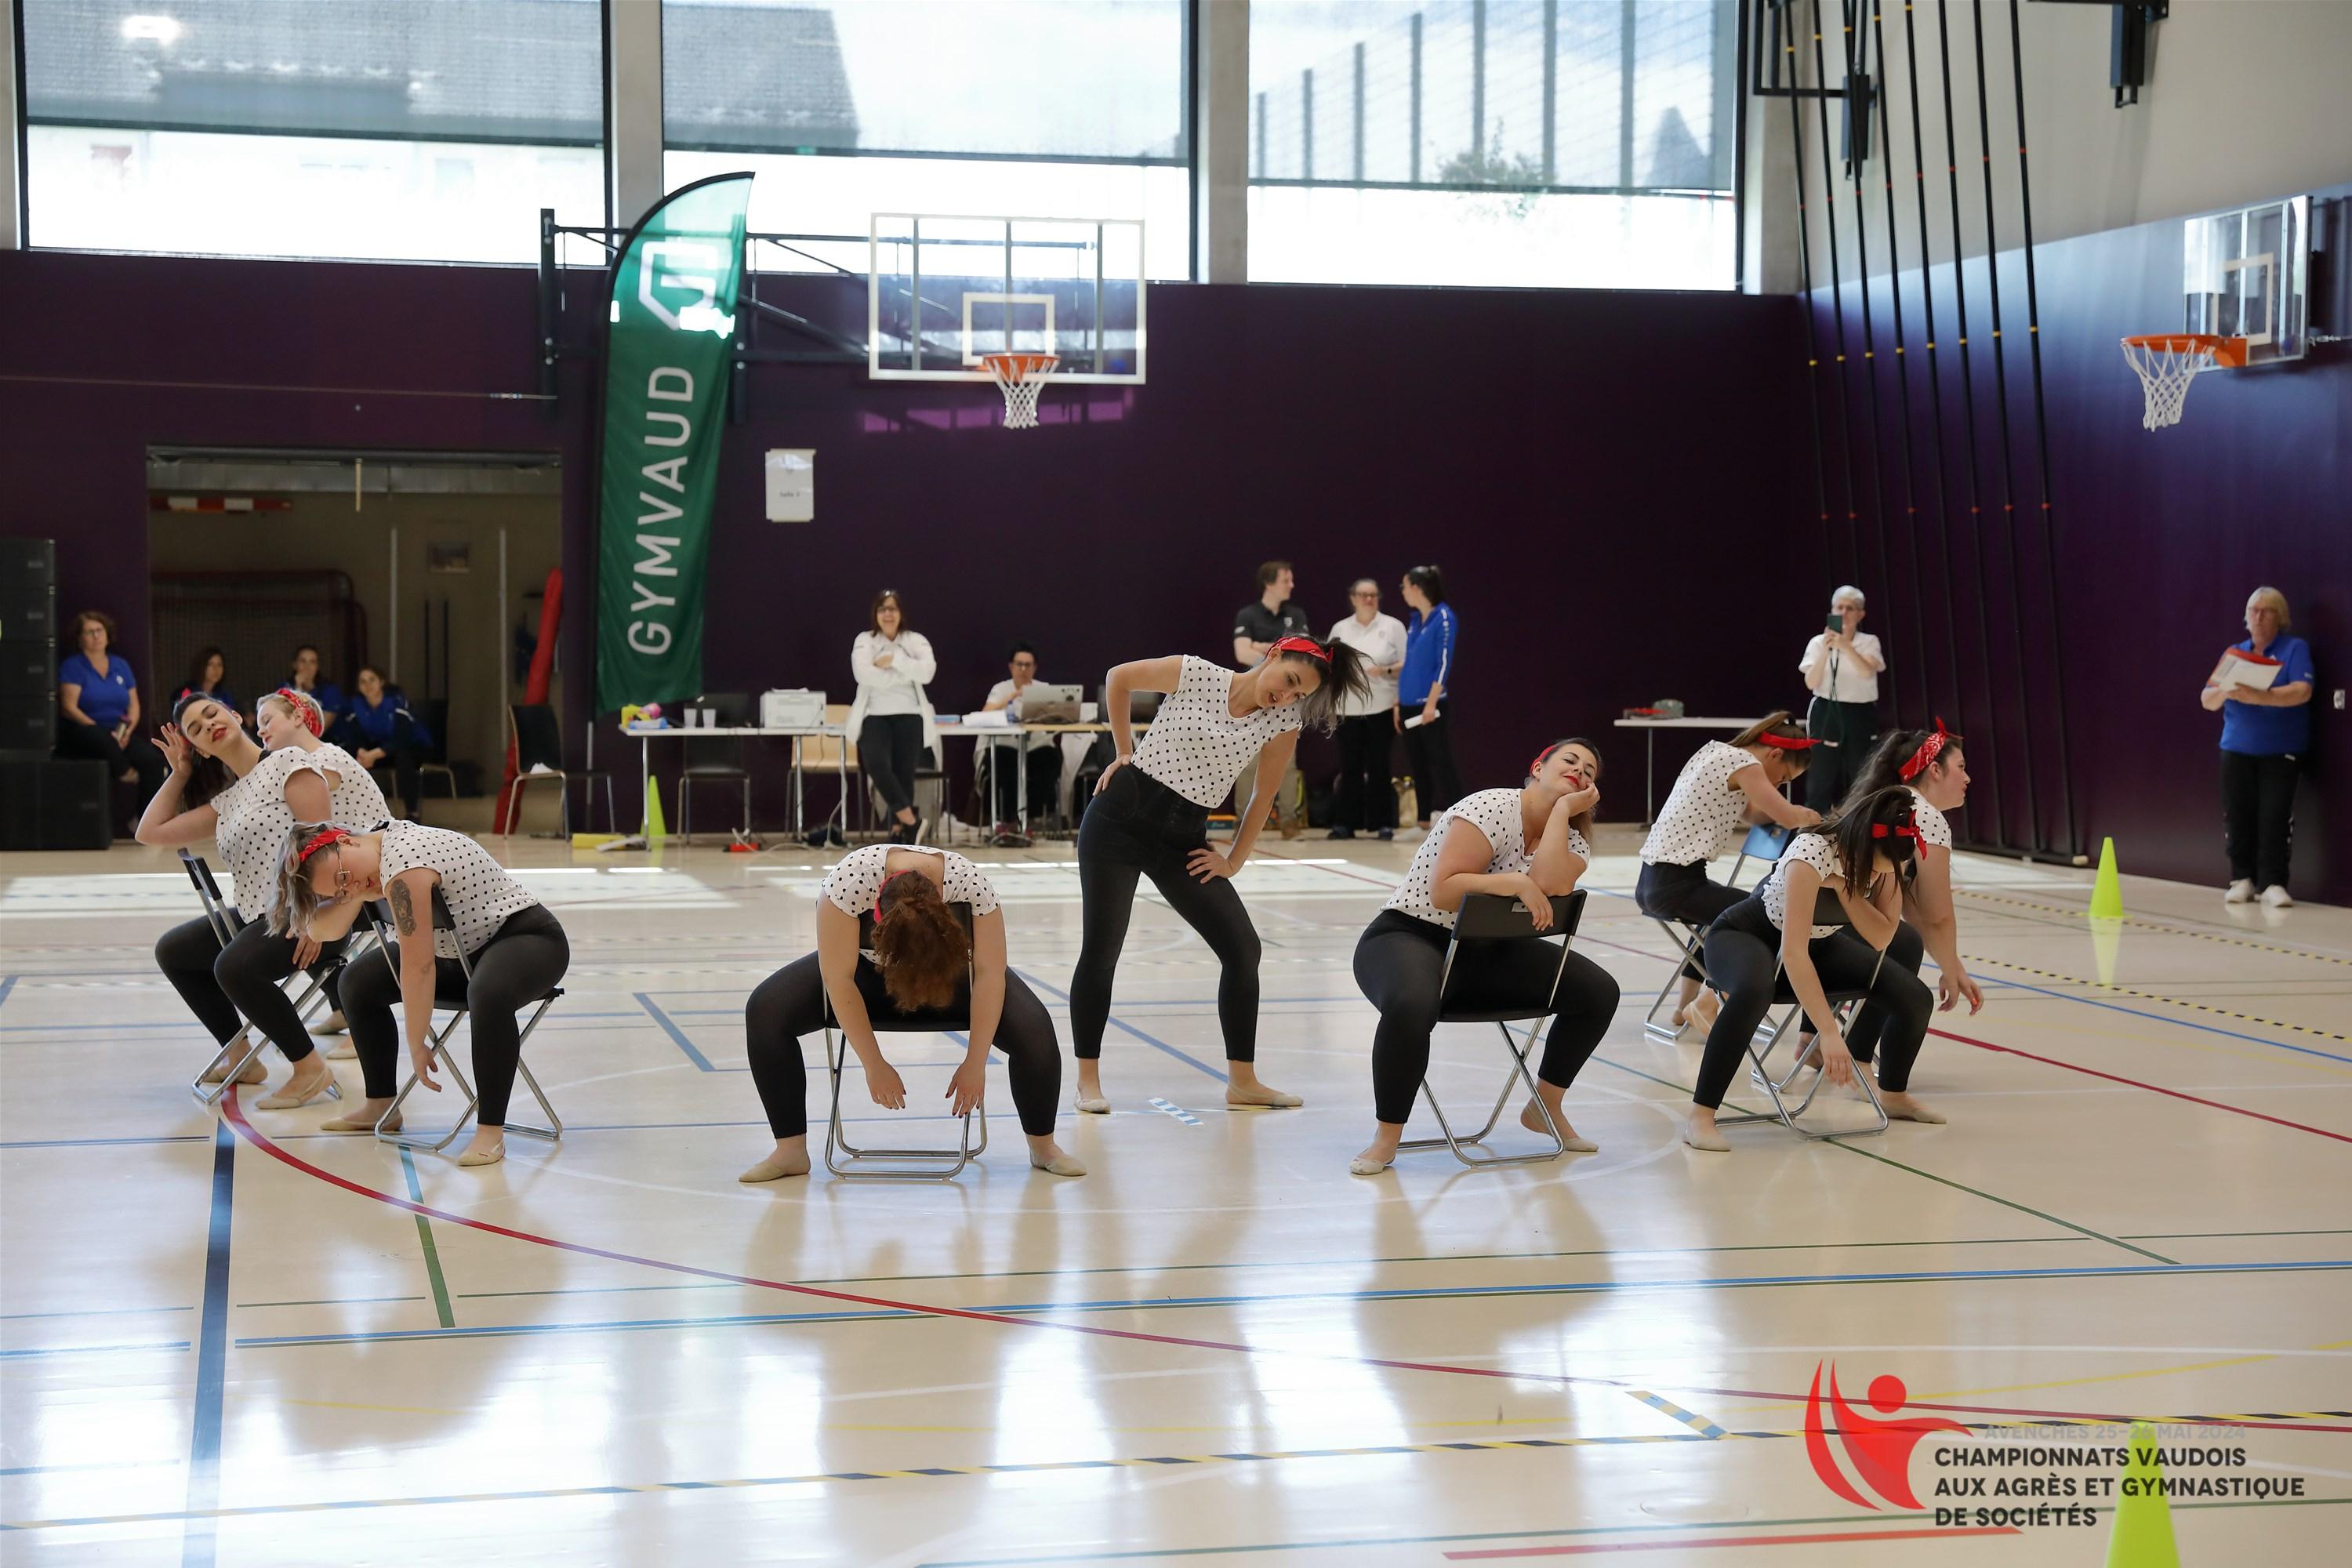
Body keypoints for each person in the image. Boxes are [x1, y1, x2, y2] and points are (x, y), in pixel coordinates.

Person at [1069, 634, 1371, 1114]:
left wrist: (1234, 860)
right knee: (1102, 950)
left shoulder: (1282, 721)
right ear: (1273, 655)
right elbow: (1118, 678)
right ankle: (1088, 1080)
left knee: (1242, 949)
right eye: (1289, 681)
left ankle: (1242, 1082)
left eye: (1298, 694)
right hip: (1118, 822)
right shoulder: (1196, 673)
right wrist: (1124, 752)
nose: (1286, 696)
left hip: (1183, 841)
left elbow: (1263, 798)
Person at [1348, 739, 1621, 1176]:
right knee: (1412, 1004)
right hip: (1410, 935)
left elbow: (1550, 883)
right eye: (1570, 761)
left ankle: (1544, 1107)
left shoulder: (1573, 839)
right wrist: (1513, 882)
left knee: (1599, 992)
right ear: (1538, 767)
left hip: (1487, 951)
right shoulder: (1490, 807)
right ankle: (1387, 1137)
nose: (1580, 772)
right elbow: (1445, 891)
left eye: (1590, 771)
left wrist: (1558, 814)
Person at [737, 842, 1083, 1183]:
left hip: (947, 977)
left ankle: (1043, 1147)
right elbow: (838, 979)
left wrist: (976, 1062)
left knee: (1035, 1029)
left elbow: (991, 973)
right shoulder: (850, 880)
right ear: (877, 916)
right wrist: (874, 1063)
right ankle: (790, 1150)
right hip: (867, 976)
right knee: (766, 1011)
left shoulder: (969, 883)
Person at [137, 689, 390, 1109]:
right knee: (174, 951)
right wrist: (180, 772)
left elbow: (326, 845)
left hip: (312, 911)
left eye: (212, 713)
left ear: (236, 716)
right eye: (195, 729)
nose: (208, 725)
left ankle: (308, 1067)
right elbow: (149, 833)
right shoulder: (230, 799)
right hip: (262, 914)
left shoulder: (289, 762)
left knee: (234, 967)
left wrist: (313, 917)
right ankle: (240, 1056)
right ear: (198, 747)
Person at [274, 818, 570, 1169]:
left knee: (488, 993)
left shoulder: (405, 862)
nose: (349, 886)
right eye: (338, 890)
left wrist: (417, 1044)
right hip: (460, 955)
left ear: (347, 842)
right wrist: (353, 892)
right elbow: (323, 930)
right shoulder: (369, 858)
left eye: (343, 876)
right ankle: (381, 1104)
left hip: (528, 940)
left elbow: (419, 966)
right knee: (356, 982)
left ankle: (491, 1130)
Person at [1686, 787, 1940, 1152]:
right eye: (1874, 868)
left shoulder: (1890, 860)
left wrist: (1846, 890)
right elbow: (1793, 954)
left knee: (1914, 997)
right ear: (1862, 843)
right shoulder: (1811, 853)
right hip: (1746, 935)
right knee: (1754, 991)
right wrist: (1829, 1033)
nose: (1879, 875)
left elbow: (1882, 935)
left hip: (1820, 942)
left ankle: (1893, 1094)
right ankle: (1701, 1115)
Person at [1635, 712, 1822, 1033]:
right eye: (1784, 778)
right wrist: (1812, 818)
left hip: (1654, 882)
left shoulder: (1715, 752)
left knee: (1723, 918)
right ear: (1775, 754)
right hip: (1677, 884)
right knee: (1758, 919)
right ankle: (1709, 1002)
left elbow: (1754, 814)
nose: (1779, 785)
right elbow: (1788, 817)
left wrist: (1788, 814)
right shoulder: (1744, 763)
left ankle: (1685, 1006)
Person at [1834, 722, 1987, 1060]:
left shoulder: (1887, 800)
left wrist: (1952, 964)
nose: (1967, 778)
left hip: (1800, 915)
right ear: (1935, 770)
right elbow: (1937, 914)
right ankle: (1859, 1056)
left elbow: (1913, 907)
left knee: (1897, 937)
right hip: (1823, 928)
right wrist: (1950, 970)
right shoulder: (1925, 815)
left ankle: (1811, 1040)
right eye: (1961, 767)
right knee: (1901, 948)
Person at [2200, 586, 2315, 909]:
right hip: (2236, 749)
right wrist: (2226, 691)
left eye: (2266, 611)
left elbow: (2302, 691)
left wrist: (2260, 696)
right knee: (2238, 816)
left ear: (2280, 617)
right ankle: (2242, 879)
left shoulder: (2294, 649)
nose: (2258, 617)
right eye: (2253, 611)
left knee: (2275, 816)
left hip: (2281, 750)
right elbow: (2207, 699)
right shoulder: (2235, 653)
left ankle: (2273, 883)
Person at [848, 590, 938, 845]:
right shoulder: (865, 640)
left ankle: (900, 833)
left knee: (904, 774)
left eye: (893, 609)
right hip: (874, 716)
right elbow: (863, 674)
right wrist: (904, 672)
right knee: (876, 764)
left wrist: (895, 659)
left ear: (900, 613)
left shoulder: (915, 640)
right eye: (883, 609)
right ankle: (911, 821)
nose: (888, 614)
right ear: (875, 614)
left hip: (910, 715)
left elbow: (927, 673)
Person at [56, 608, 165, 815]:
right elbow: (69, 707)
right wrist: (102, 733)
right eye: (90, 632)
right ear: (79, 639)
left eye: (100, 631)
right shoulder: (73, 666)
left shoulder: (120, 665)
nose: (96, 636)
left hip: (119, 731)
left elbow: (134, 705)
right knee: (99, 738)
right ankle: (125, 771)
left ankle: (144, 821)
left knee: (153, 761)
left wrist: (126, 732)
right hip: (86, 729)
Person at [1232, 562, 1312, 840]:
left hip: (1286, 699)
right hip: (1256, 695)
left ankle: (1289, 821)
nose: (1291, 585)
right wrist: (1277, 650)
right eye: (1286, 580)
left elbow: (1301, 657)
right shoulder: (1248, 615)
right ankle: (1242, 821)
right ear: (1269, 583)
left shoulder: (1296, 615)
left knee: (1286, 763)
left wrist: (1260, 647)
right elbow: (1242, 653)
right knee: (1247, 762)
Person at [1326, 579, 1406, 840]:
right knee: (1349, 766)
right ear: (1353, 598)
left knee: (1379, 766)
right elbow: (1330, 668)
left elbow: (1408, 663)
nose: (1368, 600)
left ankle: (1383, 823)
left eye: (1373, 595)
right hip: (1347, 709)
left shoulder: (1393, 626)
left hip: (1382, 706)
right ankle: (1345, 824)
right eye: (1363, 595)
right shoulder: (1340, 628)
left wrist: (1386, 671)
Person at [1798, 585, 1885, 812]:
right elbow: (1811, 682)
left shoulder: (1869, 642)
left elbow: (1866, 671)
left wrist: (1846, 646)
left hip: (1859, 712)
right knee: (1821, 773)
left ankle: (1860, 822)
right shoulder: (1818, 642)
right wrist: (1827, 651)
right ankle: (1814, 825)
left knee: (1861, 771)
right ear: (1832, 611)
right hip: (1826, 710)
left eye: (1850, 608)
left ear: (1860, 614)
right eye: (1839, 607)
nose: (1844, 613)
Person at [1396, 564, 1461, 837]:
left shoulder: (1444, 617)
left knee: (1440, 760)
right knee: (1417, 763)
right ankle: (1423, 821)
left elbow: (1443, 664)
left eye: (1404, 586)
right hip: (1408, 704)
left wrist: (1431, 704)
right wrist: (1398, 703)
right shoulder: (1414, 620)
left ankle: (1461, 818)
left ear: (1416, 588)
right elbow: (1410, 663)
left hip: (1430, 705)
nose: (1402, 592)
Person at [980, 641, 1062, 845]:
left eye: (1028, 665)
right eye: (1020, 664)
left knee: (1051, 759)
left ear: (1035, 667)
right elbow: (985, 714)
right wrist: (1012, 697)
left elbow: (1058, 716)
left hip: (1036, 746)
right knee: (1003, 764)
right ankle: (1008, 821)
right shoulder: (1001, 689)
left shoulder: (1044, 689)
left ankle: (1031, 819)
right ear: (1011, 666)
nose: (1023, 669)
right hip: (1006, 745)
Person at [338, 665, 433, 819]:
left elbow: (402, 738)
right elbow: (354, 736)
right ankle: (354, 814)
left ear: (381, 682)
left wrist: (373, 755)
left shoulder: (396, 702)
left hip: (413, 746)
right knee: (348, 756)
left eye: (372, 680)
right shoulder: (356, 706)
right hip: (381, 750)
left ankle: (412, 812)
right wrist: (361, 751)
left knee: (404, 756)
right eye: (363, 682)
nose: (368, 685)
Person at [179, 646, 238, 721]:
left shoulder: (225, 695)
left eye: (219, 665)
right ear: (202, 666)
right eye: (210, 664)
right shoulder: (188, 693)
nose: (216, 669)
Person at [286, 644, 343, 720]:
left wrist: (299, 690)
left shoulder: (330, 690)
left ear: (317, 666)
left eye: (312, 662)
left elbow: (323, 724)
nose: (307, 667)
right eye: (303, 661)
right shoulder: (285, 689)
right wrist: (298, 687)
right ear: (295, 665)